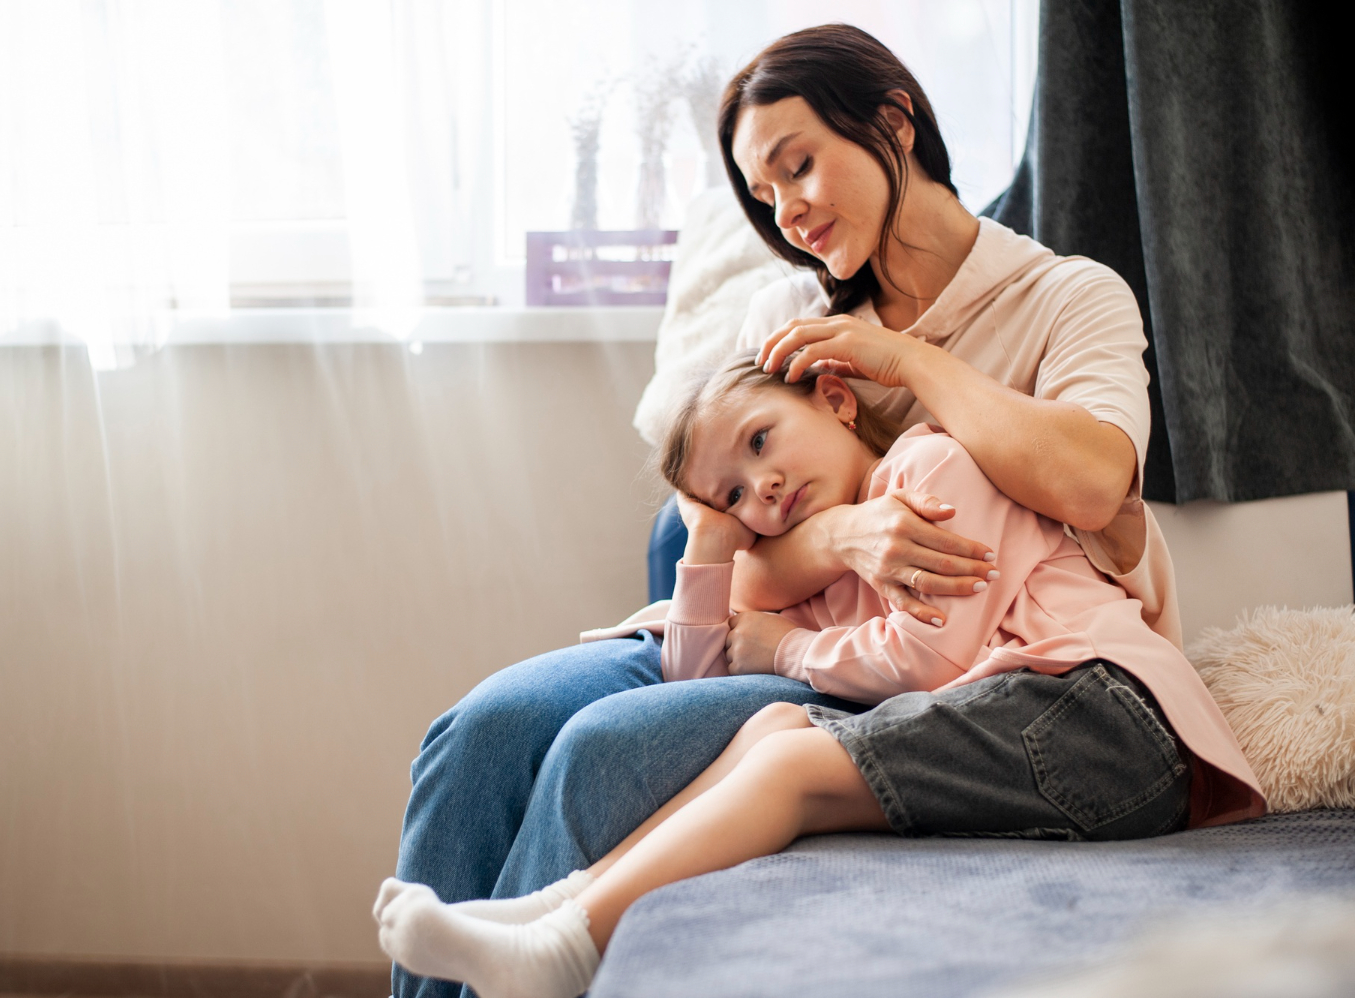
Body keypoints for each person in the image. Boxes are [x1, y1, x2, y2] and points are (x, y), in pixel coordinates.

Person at [391, 24, 1179, 998]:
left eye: (797, 166)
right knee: (479, 730)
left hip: (921, 655)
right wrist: (848, 534)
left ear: (894, 121)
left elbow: (1095, 484)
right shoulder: (782, 316)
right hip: (763, 620)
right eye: (764, 195)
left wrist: (911, 363)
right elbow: (722, 548)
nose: (787, 211)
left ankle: (552, 944)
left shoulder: (1068, 298)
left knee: (599, 751)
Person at [375, 350, 1264, 998]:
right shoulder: (818, 580)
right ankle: (571, 901)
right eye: (732, 491)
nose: (760, 486)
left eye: (764, 442)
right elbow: (692, 680)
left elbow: (932, 659)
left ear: (836, 400)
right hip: (1042, 722)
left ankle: (564, 947)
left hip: (1105, 713)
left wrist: (783, 649)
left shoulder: (930, 465)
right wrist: (715, 538)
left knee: (795, 764)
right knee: (773, 728)